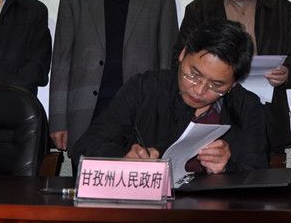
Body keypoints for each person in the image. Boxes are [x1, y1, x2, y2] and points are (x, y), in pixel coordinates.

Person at [49, 0, 179, 154]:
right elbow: (61, 63)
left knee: (140, 177)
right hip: (87, 112)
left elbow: (168, 61)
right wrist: (57, 119)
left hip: (143, 111)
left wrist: (165, 115)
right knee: (88, 178)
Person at [174, 0, 291, 165]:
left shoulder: (280, 9)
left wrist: (287, 72)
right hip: (213, 117)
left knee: (269, 185)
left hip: (267, 120)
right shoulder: (199, 10)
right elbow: (179, 58)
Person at [72, 19, 268, 174]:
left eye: (216, 85)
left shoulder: (247, 107)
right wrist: (124, 158)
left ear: (233, 84)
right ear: (182, 54)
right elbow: (84, 147)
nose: (199, 90)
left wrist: (227, 168)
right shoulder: (145, 88)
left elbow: (257, 177)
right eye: (194, 75)